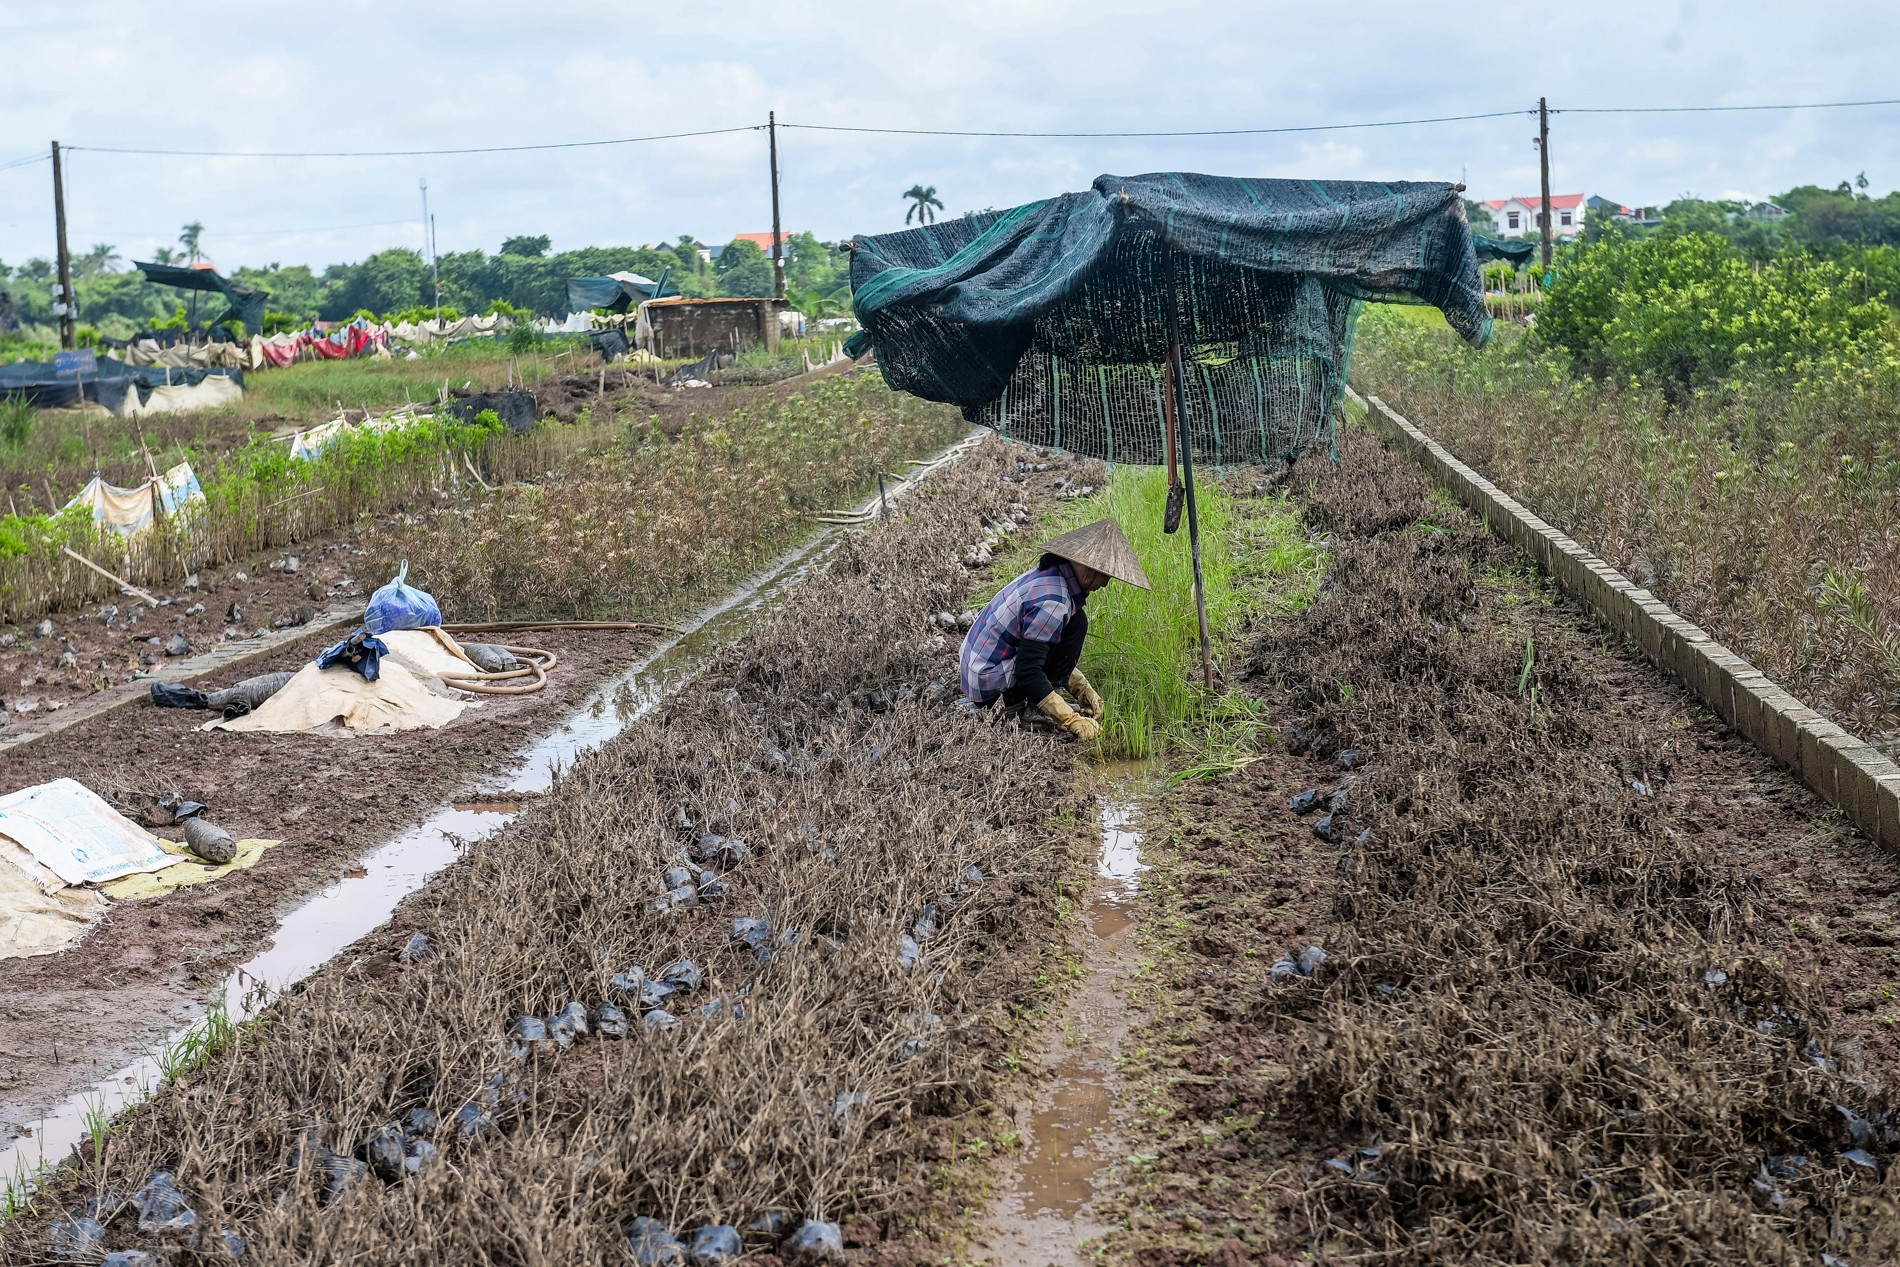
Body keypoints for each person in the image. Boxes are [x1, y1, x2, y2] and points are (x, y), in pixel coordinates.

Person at [959, 518, 1150, 740]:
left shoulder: (1051, 577)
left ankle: (1037, 702)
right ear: (1089, 569)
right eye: (1106, 576)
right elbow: (1028, 671)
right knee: (1077, 624)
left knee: (1076, 620)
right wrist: (1069, 718)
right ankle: (1032, 709)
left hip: (978, 667)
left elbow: (1043, 648)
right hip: (987, 684)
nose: (1106, 584)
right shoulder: (1053, 601)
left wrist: (1080, 687)